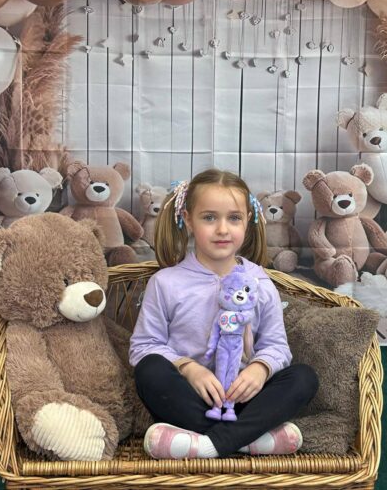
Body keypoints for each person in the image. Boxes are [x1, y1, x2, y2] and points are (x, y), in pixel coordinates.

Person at [129, 168, 319, 459]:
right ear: (188, 220)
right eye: (209, 218)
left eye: (234, 218)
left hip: (247, 402)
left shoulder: (260, 282)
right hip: (191, 400)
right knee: (149, 370)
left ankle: (207, 445)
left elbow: (277, 346)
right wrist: (188, 369)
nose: (222, 229)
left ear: (247, 221)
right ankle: (246, 441)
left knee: (304, 378)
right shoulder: (166, 283)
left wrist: (260, 369)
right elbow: (143, 347)